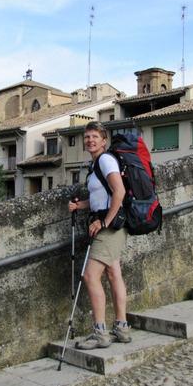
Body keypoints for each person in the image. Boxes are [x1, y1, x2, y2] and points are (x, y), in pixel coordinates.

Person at [68, 121, 132, 349]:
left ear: (104, 141)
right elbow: (101, 197)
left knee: (90, 276)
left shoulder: (105, 160)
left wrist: (104, 221)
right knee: (114, 273)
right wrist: (81, 206)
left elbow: (120, 192)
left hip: (109, 227)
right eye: (87, 137)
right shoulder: (96, 164)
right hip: (110, 224)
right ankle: (122, 328)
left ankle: (100, 333)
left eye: (95, 136)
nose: (90, 140)